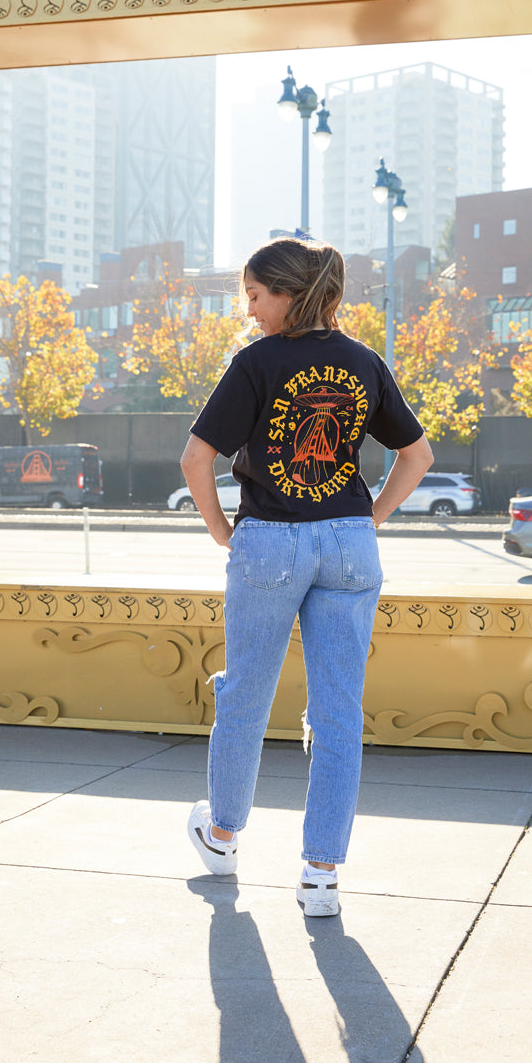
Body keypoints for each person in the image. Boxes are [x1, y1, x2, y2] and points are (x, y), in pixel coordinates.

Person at [182, 236, 433, 916]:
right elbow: (417, 455)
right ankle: (321, 873)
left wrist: (220, 531)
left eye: (257, 297)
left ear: (290, 295)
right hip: (350, 543)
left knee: (246, 694)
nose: (252, 310)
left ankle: (224, 835)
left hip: (270, 542)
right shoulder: (364, 362)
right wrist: (370, 517)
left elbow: (196, 457)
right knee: (337, 710)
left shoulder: (257, 364)